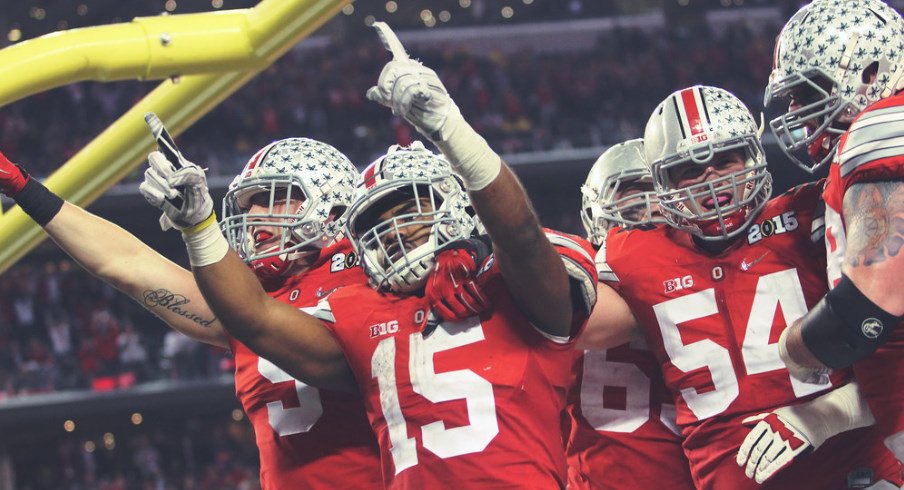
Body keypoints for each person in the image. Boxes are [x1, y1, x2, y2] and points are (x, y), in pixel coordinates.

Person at [139, 23, 598, 488]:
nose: (393, 228)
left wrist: (449, 127)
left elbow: (520, 234)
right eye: (374, 221)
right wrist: (199, 228)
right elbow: (254, 318)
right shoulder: (358, 307)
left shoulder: (509, 290)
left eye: (407, 208)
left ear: (454, 204)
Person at [0, 138, 391, 489]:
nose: (254, 215)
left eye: (273, 197)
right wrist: (22, 186)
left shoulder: (377, 278)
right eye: (248, 203)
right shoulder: (246, 300)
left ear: (332, 200)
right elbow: (128, 264)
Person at [578, 85, 898, 488]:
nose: (710, 178)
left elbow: (894, 366)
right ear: (664, 184)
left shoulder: (811, 217)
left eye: (725, 160)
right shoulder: (633, 253)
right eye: (690, 170)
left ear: (754, 156)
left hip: (857, 474)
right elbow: (561, 317)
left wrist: (826, 415)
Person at [764, 0, 904, 470]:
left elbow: (868, 308)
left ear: (869, 72)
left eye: (809, 92)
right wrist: (834, 413)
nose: (799, 112)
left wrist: (796, 349)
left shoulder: (882, 127)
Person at [566, 139, 695, 489]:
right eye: (634, 200)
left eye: (658, 195)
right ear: (596, 212)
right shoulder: (576, 276)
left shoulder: (573, 281)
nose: (650, 211)